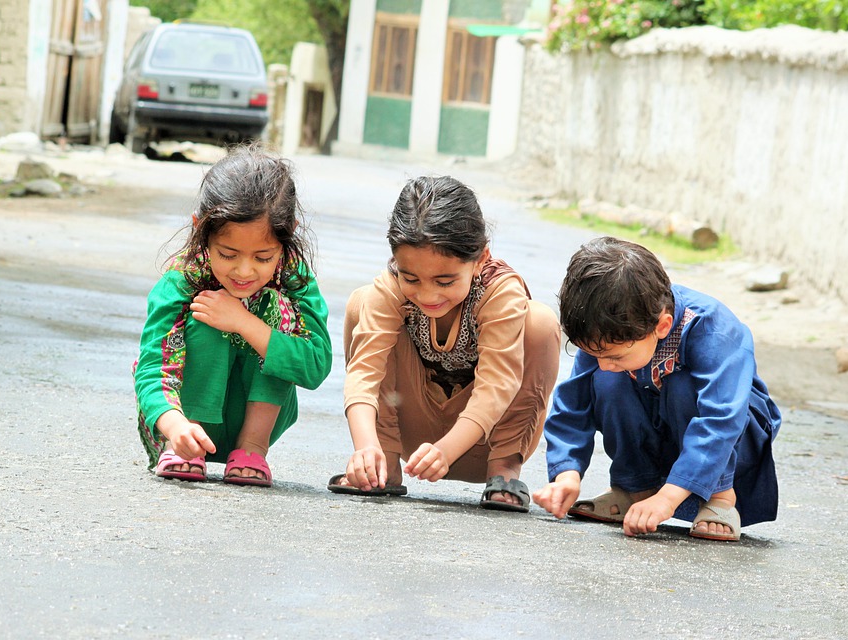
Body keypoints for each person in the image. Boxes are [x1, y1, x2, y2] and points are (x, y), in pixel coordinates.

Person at [328, 175, 560, 512]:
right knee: (360, 302)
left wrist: (448, 449)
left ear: (481, 258)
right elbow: (364, 372)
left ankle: (505, 472)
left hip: (481, 442)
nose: (427, 294)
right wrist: (366, 447)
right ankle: (384, 467)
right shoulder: (390, 286)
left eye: (445, 280)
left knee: (539, 323)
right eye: (412, 278)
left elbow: (497, 384)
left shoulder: (499, 290)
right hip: (413, 444)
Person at [532, 236, 780, 540]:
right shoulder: (606, 336)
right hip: (666, 428)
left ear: (662, 326)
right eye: (595, 354)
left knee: (680, 384)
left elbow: (722, 420)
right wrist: (566, 474)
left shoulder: (713, 329)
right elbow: (573, 401)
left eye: (614, 355)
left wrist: (668, 499)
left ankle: (720, 497)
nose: (604, 362)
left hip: (732, 438)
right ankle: (635, 488)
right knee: (608, 380)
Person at [133, 144, 332, 486]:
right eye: (228, 254)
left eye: (263, 257)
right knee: (206, 312)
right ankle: (185, 447)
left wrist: (244, 322)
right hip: (180, 428)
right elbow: (152, 369)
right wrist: (173, 424)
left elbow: (315, 366)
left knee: (271, 312)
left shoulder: (295, 280)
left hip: (252, 427)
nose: (244, 270)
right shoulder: (181, 281)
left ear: (288, 236)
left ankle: (252, 448)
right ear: (201, 230)